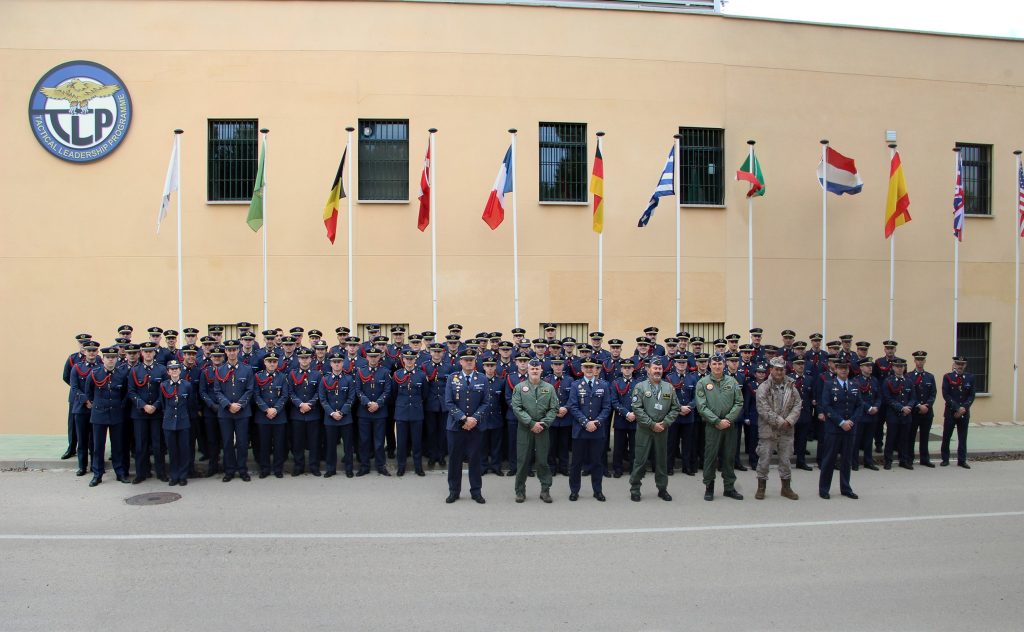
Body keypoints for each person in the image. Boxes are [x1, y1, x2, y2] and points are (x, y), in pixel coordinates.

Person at [628, 358, 680, 502]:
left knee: (662, 461)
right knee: (640, 460)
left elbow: (676, 408)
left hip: (662, 429)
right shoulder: (640, 387)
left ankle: (662, 489)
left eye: (660, 368)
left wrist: (666, 423)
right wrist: (652, 424)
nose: (657, 371)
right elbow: (637, 409)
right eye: (655, 368)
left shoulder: (669, 387)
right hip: (645, 430)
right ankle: (635, 489)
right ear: (648, 369)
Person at [695, 355, 744, 501]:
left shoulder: (732, 381)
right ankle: (709, 487)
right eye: (714, 364)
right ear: (710, 365)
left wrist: (728, 419)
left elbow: (739, 402)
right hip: (712, 427)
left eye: (719, 364)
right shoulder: (703, 383)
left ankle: (729, 487)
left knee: (729, 457)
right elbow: (701, 407)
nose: (717, 366)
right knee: (710, 457)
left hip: (729, 426)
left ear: (724, 365)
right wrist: (716, 421)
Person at [510, 358, 558, 503]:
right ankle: (520, 491)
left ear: (541, 370)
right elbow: (516, 408)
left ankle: (545, 490)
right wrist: (531, 423)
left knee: (543, 461)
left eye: (537, 369)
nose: (535, 371)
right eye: (532, 369)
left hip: (543, 429)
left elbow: (554, 408)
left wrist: (543, 424)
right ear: (528, 371)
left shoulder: (549, 388)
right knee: (523, 461)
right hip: (525, 429)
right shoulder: (519, 387)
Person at [443, 350, 489, 504]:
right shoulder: (452, 378)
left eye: (472, 359)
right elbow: (448, 402)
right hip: (456, 427)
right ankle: (454, 491)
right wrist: (463, 418)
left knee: (475, 460)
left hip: (475, 427)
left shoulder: (482, 378)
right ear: (460, 362)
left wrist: (474, 419)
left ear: (475, 362)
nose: (469, 362)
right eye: (466, 360)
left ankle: (476, 492)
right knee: (454, 460)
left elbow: (486, 402)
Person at [753, 356, 801, 500]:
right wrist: (781, 421)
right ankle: (761, 488)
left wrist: (790, 420)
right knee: (764, 459)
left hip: (787, 430)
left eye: (782, 369)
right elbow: (763, 409)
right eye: (776, 369)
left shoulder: (791, 385)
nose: (779, 372)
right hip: (768, 430)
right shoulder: (763, 387)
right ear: (771, 370)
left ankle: (786, 488)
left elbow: (798, 405)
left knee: (786, 460)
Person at [84, 346, 131, 486]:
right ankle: (97, 474)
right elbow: (89, 392)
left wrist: (119, 406)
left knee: (118, 446)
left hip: (116, 414)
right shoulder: (95, 373)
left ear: (117, 358)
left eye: (113, 357)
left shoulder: (121, 374)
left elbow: (125, 393)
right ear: (103, 359)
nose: (111, 360)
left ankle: (120, 472)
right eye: (108, 358)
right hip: (99, 414)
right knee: (98, 446)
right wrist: (97, 404)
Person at [567, 358, 611, 502]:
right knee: (576, 463)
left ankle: (597, 491)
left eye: (592, 367)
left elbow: (606, 407)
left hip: (597, 431)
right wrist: (586, 422)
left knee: (597, 462)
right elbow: (573, 406)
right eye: (586, 367)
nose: (589, 369)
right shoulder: (575, 385)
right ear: (582, 369)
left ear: (597, 369)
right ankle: (574, 491)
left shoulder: (604, 385)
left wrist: (597, 422)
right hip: (580, 430)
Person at [818, 359, 861, 499]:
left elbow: (860, 406)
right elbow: (826, 406)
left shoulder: (855, 385)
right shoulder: (829, 384)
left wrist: (852, 421)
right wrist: (841, 422)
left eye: (846, 368)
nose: (844, 370)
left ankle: (846, 488)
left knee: (847, 460)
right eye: (841, 368)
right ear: (836, 369)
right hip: (834, 429)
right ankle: (824, 489)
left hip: (850, 429)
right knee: (829, 460)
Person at [213, 340, 254, 482]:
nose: (231, 352)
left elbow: (250, 390)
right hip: (225, 412)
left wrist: (239, 404)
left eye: (234, 350)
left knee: (242, 442)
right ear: (225, 352)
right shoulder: (219, 370)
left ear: (238, 350)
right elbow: (217, 391)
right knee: (227, 442)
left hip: (242, 412)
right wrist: (228, 405)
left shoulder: (247, 369)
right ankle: (229, 470)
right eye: (229, 350)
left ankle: (242, 470)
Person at [128, 341, 169, 483]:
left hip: (157, 413)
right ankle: (141, 473)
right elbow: (132, 392)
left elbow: (165, 390)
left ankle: (161, 472)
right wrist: (144, 405)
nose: (148, 354)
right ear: (141, 353)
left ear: (154, 353)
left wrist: (156, 405)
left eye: (150, 351)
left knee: (158, 445)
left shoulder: (162, 370)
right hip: (140, 414)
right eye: (145, 352)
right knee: (141, 445)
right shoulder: (135, 370)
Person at [319, 352, 357, 478]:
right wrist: (331, 412)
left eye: (339, 362)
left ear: (343, 363)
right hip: (330, 418)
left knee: (348, 445)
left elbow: (351, 398)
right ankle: (331, 468)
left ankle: (349, 469)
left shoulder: (349, 379)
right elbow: (322, 399)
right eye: (334, 362)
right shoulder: (325, 379)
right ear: (330, 364)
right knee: (330, 445)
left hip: (345, 418)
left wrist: (341, 412)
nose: (336, 364)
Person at [355, 348, 392, 476]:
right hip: (364, 412)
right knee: (364, 441)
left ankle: (380, 465)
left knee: (379, 441)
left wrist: (378, 404)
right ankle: (364, 466)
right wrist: (368, 403)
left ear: (379, 357)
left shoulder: (385, 372)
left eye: (375, 356)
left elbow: (387, 391)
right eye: (371, 356)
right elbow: (358, 390)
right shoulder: (361, 372)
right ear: (367, 358)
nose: (373, 359)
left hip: (380, 412)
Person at [392, 350, 428, 477]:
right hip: (401, 412)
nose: (409, 361)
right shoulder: (397, 375)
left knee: (417, 442)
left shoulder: (421, 375)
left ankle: (418, 467)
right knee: (401, 442)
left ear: (415, 360)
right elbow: (394, 393)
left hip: (416, 413)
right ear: (403, 360)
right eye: (407, 359)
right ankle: (401, 467)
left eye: (411, 359)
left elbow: (424, 394)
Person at [253, 354, 289, 479]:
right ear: (265, 362)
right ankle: (265, 468)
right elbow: (256, 395)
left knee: (279, 444)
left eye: (274, 361)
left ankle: (278, 469)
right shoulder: (258, 376)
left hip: (279, 416)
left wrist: (275, 409)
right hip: (263, 416)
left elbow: (285, 396)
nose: (272, 364)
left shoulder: (283, 377)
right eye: (269, 362)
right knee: (264, 444)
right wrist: (266, 409)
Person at [288, 348, 323, 476]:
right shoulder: (292, 374)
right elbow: (290, 392)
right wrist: (300, 404)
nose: (304, 360)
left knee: (314, 442)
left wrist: (310, 404)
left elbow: (319, 393)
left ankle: (314, 466)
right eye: (302, 358)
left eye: (307, 358)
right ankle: (299, 466)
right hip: (297, 413)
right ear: (298, 359)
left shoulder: (317, 374)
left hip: (313, 413)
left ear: (311, 359)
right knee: (298, 442)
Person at [68, 340, 100, 476]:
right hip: (81, 408)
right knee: (82, 439)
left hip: (96, 408)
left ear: (97, 352)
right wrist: (86, 400)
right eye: (89, 350)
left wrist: (93, 402)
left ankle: (95, 465)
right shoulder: (77, 368)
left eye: (94, 350)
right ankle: (82, 466)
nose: (91, 353)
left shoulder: (101, 367)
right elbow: (74, 387)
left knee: (95, 439)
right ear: (84, 352)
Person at [160, 360, 193, 486]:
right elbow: (163, 404)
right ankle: (174, 476)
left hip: (183, 421)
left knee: (184, 450)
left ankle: (183, 475)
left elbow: (190, 403)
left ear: (180, 370)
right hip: (169, 422)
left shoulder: (187, 385)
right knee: (172, 450)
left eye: (176, 369)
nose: (174, 371)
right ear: (168, 371)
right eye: (171, 369)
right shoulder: (163, 386)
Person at [941, 356, 976, 468]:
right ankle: (945, 459)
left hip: (964, 413)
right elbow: (946, 394)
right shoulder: (947, 377)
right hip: (951, 412)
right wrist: (957, 408)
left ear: (965, 365)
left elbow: (971, 395)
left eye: (962, 364)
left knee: (962, 437)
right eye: (958, 364)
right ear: (954, 365)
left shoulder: (970, 377)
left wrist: (963, 408)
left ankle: (962, 460)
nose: (960, 366)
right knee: (946, 436)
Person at [882, 357, 916, 470]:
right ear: (893, 367)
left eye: (902, 366)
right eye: (897, 366)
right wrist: (901, 408)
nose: (900, 369)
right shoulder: (888, 381)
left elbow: (913, 397)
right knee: (891, 439)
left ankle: (904, 460)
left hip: (907, 415)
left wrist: (909, 407)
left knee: (904, 439)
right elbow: (887, 398)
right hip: (893, 415)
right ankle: (888, 460)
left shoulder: (909, 381)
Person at [610, 358, 639, 478]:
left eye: (629, 367)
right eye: (625, 367)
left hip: (635, 419)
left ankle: (634, 469)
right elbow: (614, 401)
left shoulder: (638, 383)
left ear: (633, 369)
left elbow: (642, 401)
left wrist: (635, 413)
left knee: (634, 446)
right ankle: (617, 468)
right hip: (621, 419)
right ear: (621, 369)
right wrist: (627, 413)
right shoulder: (616, 383)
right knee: (618, 447)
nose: (627, 370)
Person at [908, 351, 937, 467]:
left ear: (925, 361)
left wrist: (927, 405)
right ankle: (909, 459)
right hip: (914, 412)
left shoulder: (930, 377)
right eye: (918, 359)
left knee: (925, 436)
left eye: (922, 360)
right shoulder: (909, 376)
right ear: (914, 361)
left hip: (927, 412)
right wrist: (918, 405)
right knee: (911, 436)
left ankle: (925, 459)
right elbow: (909, 394)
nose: (920, 362)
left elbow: (933, 393)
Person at [851, 357, 881, 471]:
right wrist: (868, 408)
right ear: (861, 367)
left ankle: (868, 461)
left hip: (873, 414)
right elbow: (857, 398)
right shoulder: (856, 380)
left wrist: (876, 406)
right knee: (857, 440)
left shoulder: (874, 380)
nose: (870, 368)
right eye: (867, 366)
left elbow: (879, 396)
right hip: (861, 415)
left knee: (869, 440)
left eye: (871, 366)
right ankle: (854, 462)